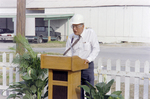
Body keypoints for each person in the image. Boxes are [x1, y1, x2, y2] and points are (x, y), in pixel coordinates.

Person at [64, 14, 100, 99]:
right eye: (73, 26)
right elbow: (68, 53)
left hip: (87, 67)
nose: (74, 29)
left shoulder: (90, 33)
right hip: (75, 69)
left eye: (76, 26)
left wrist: (88, 59)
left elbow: (96, 49)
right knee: (77, 94)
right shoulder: (71, 37)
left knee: (90, 94)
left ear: (82, 26)